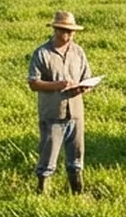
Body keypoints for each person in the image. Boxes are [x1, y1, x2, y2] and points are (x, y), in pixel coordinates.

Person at [28, 10, 95, 194]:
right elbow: (33, 83)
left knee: (76, 157)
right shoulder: (42, 53)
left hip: (75, 113)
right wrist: (58, 85)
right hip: (53, 113)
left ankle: (77, 192)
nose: (70, 35)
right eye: (66, 31)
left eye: (72, 31)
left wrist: (84, 87)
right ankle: (42, 193)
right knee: (48, 157)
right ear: (56, 30)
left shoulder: (78, 52)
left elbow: (86, 77)